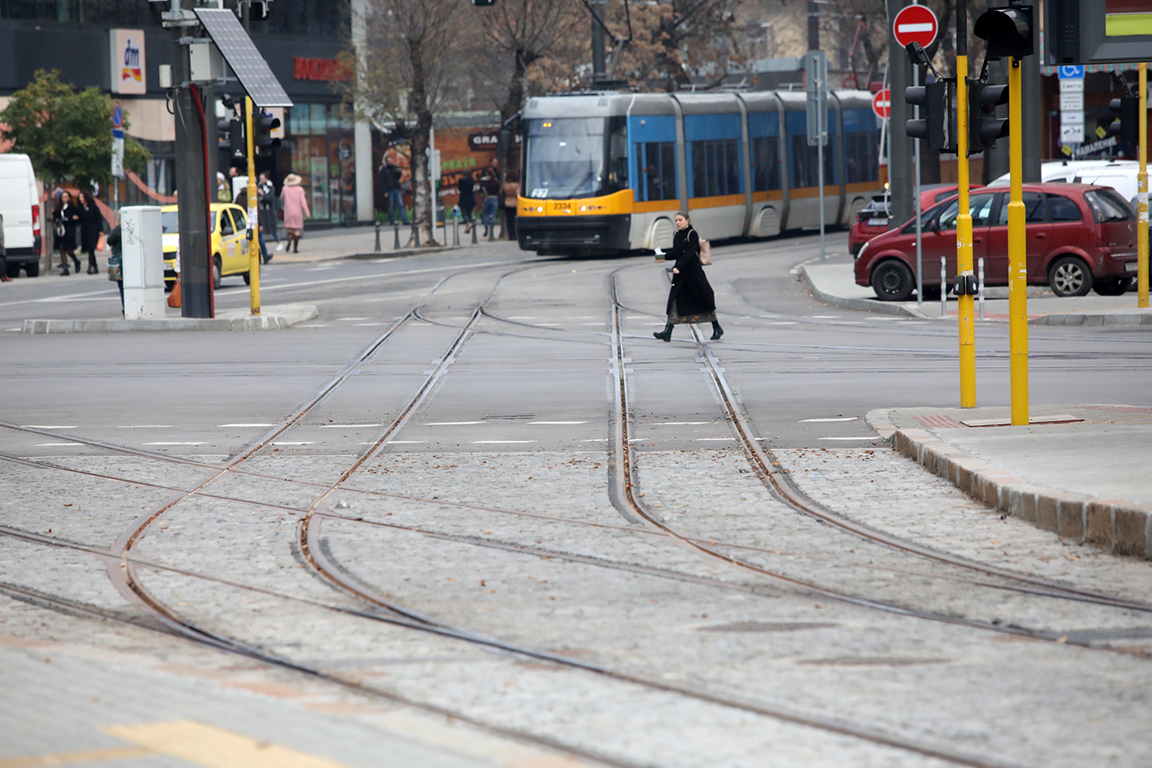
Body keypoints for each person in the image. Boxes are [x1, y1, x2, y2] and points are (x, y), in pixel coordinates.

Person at [653, 212, 723, 342]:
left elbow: (690, 253)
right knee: (674, 301)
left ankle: (717, 327)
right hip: (681, 276)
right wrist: (662, 255)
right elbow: (676, 253)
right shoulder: (676, 234)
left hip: (693, 275)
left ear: (687, 221)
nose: (678, 223)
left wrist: (678, 266)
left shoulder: (692, 234)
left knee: (704, 300)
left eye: (680, 220)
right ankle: (668, 331)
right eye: (676, 220)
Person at [52, 190, 82, 275]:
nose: (64, 199)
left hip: (69, 230)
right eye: (62, 197)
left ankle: (76, 261)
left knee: (68, 249)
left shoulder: (72, 207)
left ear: (69, 198)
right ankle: (65, 268)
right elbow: (55, 216)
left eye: (66, 197)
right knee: (62, 249)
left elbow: (77, 218)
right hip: (61, 231)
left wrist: (71, 219)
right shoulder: (59, 207)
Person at [280, 173, 310, 253]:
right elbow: (303, 202)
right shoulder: (300, 189)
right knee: (297, 230)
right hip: (297, 212)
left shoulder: (285, 189)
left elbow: (281, 198)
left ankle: (289, 241)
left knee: (290, 230)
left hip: (288, 212)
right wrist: (307, 213)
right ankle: (295, 249)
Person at [77, 192, 104, 274]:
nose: (80, 199)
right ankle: (94, 266)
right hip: (85, 231)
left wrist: (100, 230)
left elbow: (99, 219)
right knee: (89, 250)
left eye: (82, 197)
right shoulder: (81, 208)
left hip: (93, 230)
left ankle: (91, 266)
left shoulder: (94, 207)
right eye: (80, 197)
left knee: (91, 249)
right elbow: (80, 219)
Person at [380, 159, 408, 226]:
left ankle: (405, 220)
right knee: (391, 206)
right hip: (390, 189)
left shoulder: (395, 168)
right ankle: (391, 221)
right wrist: (385, 191)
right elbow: (383, 181)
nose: (390, 162)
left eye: (391, 161)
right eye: (389, 161)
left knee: (400, 205)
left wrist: (399, 172)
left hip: (396, 188)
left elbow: (398, 177)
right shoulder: (384, 170)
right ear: (387, 162)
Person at [106, 214, 124, 313]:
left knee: (122, 285)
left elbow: (109, 240)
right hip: (131, 260)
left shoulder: (119, 228)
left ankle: (125, 308)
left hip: (119, 259)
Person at [258, 172, 280, 250]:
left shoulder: (270, 187)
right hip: (262, 210)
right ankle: (262, 244)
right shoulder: (258, 186)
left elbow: (271, 198)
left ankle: (278, 241)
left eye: (262, 179)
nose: (261, 180)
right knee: (261, 227)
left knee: (272, 227)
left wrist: (262, 194)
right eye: (260, 179)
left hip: (269, 210)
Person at [479, 169, 501, 238]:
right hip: (494, 198)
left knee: (485, 214)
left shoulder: (483, 181)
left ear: (486, 173)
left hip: (486, 198)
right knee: (492, 214)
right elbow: (499, 190)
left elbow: (480, 190)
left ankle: (486, 228)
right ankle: (492, 228)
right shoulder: (496, 180)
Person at [501, 171, 520, 241]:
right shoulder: (516, 185)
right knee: (515, 219)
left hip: (507, 203)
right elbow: (518, 194)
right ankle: (515, 235)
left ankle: (510, 235)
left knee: (509, 220)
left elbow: (501, 192)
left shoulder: (505, 185)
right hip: (515, 203)